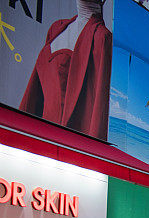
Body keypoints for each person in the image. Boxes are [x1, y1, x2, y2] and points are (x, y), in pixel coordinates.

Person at [20, 0, 112, 140]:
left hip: (66, 141)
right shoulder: (56, 28)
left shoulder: (102, 38)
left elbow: (99, 106)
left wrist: (91, 154)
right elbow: (34, 94)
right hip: (41, 134)